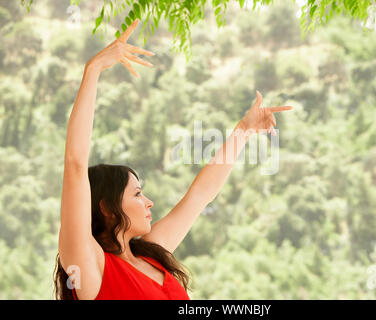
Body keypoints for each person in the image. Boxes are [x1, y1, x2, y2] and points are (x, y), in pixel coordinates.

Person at [54, 19, 293, 300]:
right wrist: (93, 70)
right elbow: (75, 164)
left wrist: (243, 131)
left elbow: (200, 195)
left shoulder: (152, 255)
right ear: (106, 206)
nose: (149, 202)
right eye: (138, 194)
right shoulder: (89, 265)